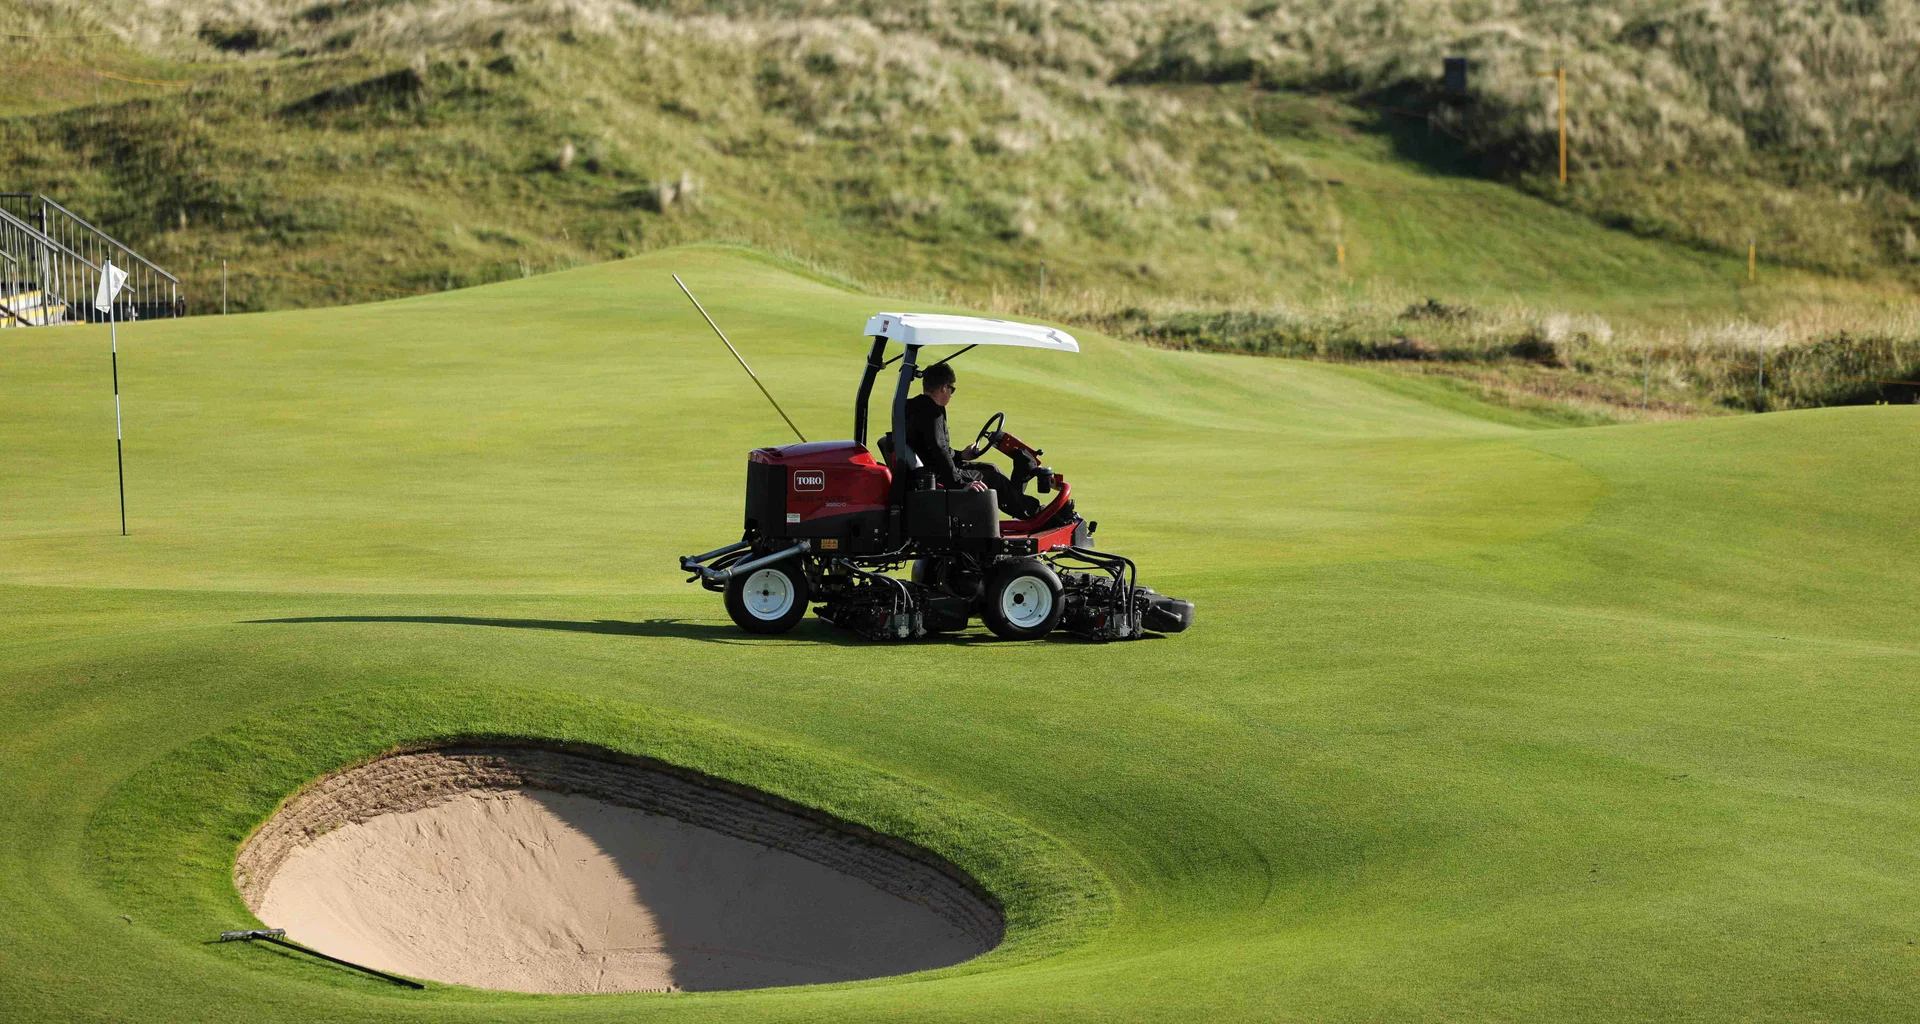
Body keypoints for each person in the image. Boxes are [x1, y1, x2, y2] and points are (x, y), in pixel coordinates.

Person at [903, 361, 1043, 520]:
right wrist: (960, 484)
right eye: (951, 389)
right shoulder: (932, 413)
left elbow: (932, 448)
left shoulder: (914, 406)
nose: (950, 394)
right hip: (937, 476)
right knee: (994, 478)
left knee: (992, 468)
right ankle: (1036, 513)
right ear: (943, 387)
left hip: (931, 469)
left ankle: (1023, 506)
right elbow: (938, 450)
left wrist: (962, 455)